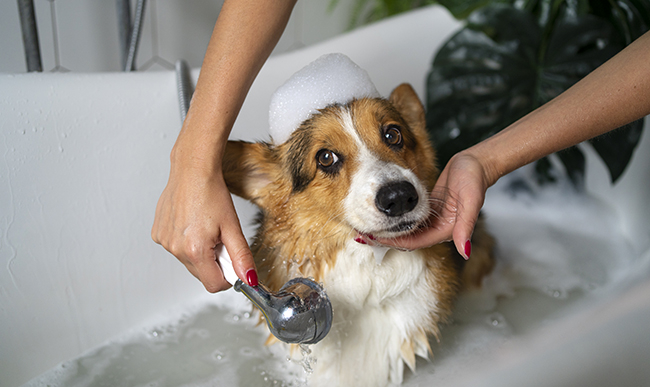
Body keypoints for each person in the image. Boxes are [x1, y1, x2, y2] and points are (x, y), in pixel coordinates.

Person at [152, 0, 650, 292]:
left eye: (393, 136)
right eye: (328, 160)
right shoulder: (273, 185)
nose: (393, 183)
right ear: (273, 187)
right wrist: (193, 161)